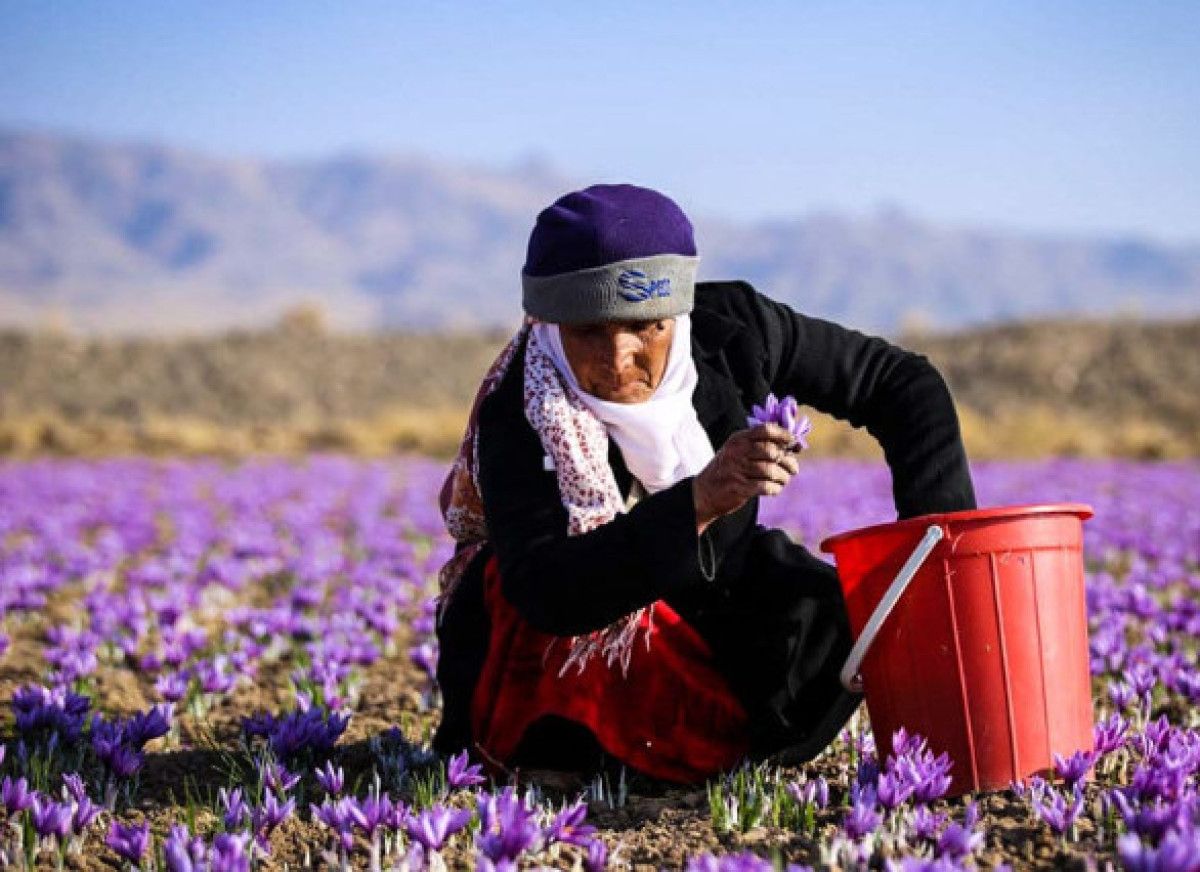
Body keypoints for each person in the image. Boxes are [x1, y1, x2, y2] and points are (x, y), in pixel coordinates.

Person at [433, 183, 977, 783]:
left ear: (676, 313)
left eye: (646, 327)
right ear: (550, 322)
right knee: (509, 594)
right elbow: (547, 589)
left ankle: (701, 749)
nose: (618, 358)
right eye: (587, 331)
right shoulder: (525, 407)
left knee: (832, 616)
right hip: (572, 617)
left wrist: (938, 554)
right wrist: (698, 502)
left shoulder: (734, 330)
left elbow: (903, 386)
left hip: (706, 592)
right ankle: (571, 755)